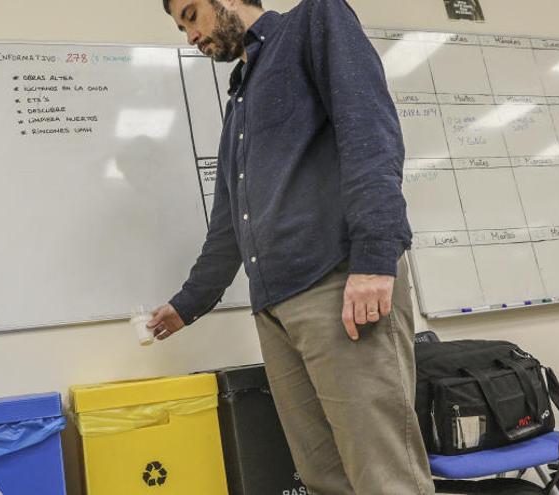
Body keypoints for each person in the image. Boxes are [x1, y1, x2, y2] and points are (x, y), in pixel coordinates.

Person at [147, 0, 436, 493]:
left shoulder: (315, 21)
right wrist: (186, 305)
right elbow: (228, 221)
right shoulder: (239, 98)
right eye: (181, 27)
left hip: (338, 282)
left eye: (192, 15)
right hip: (275, 309)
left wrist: (373, 258)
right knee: (324, 476)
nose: (190, 37)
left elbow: (369, 133)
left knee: (384, 476)